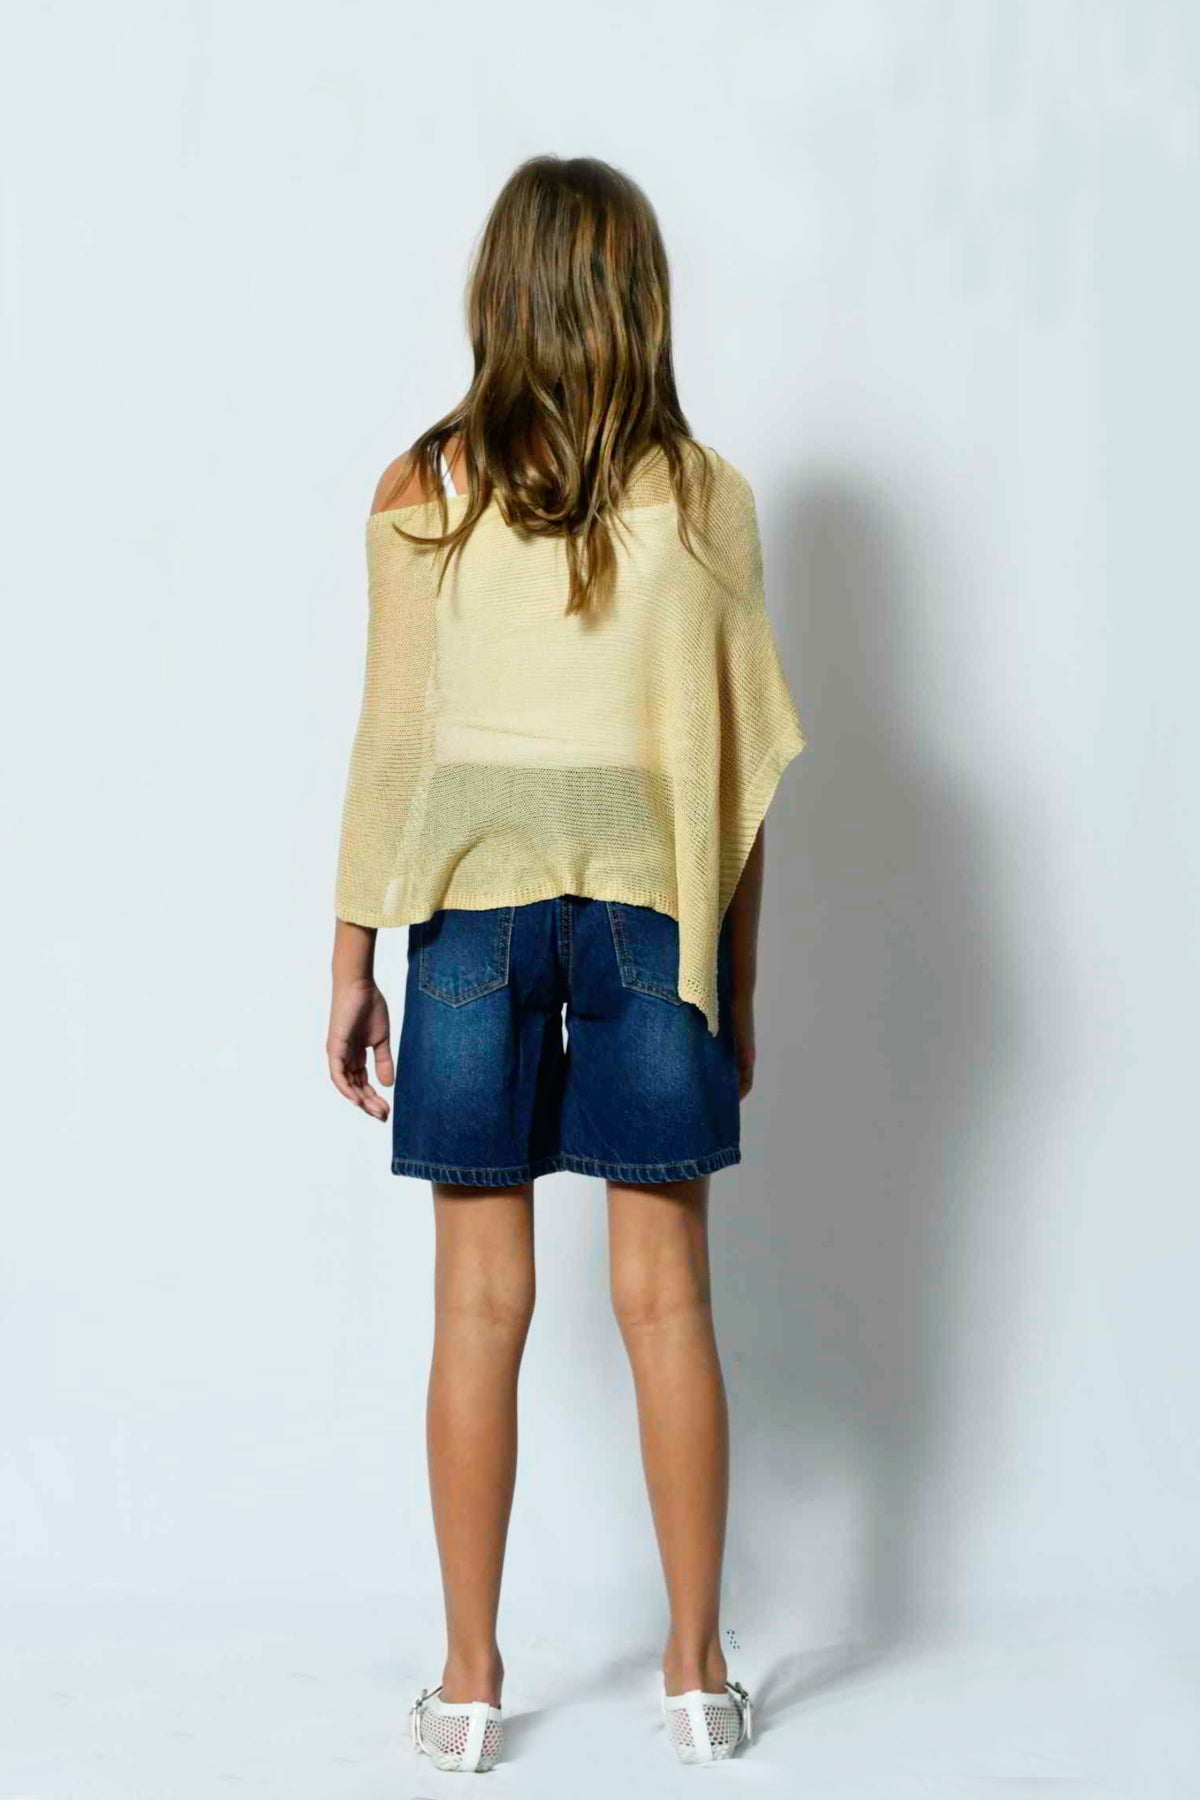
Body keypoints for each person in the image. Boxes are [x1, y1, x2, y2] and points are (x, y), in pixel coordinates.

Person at [327, 154, 805, 1772]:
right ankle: (698, 1676)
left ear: (500, 294)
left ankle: (469, 1690)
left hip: (468, 915)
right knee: (667, 1302)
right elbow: (736, 777)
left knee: (479, 1304)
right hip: (654, 915)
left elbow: (392, 743)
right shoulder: (705, 495)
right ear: (640, 298)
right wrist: (739, 981)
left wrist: (351, 954)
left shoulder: (426, 482)